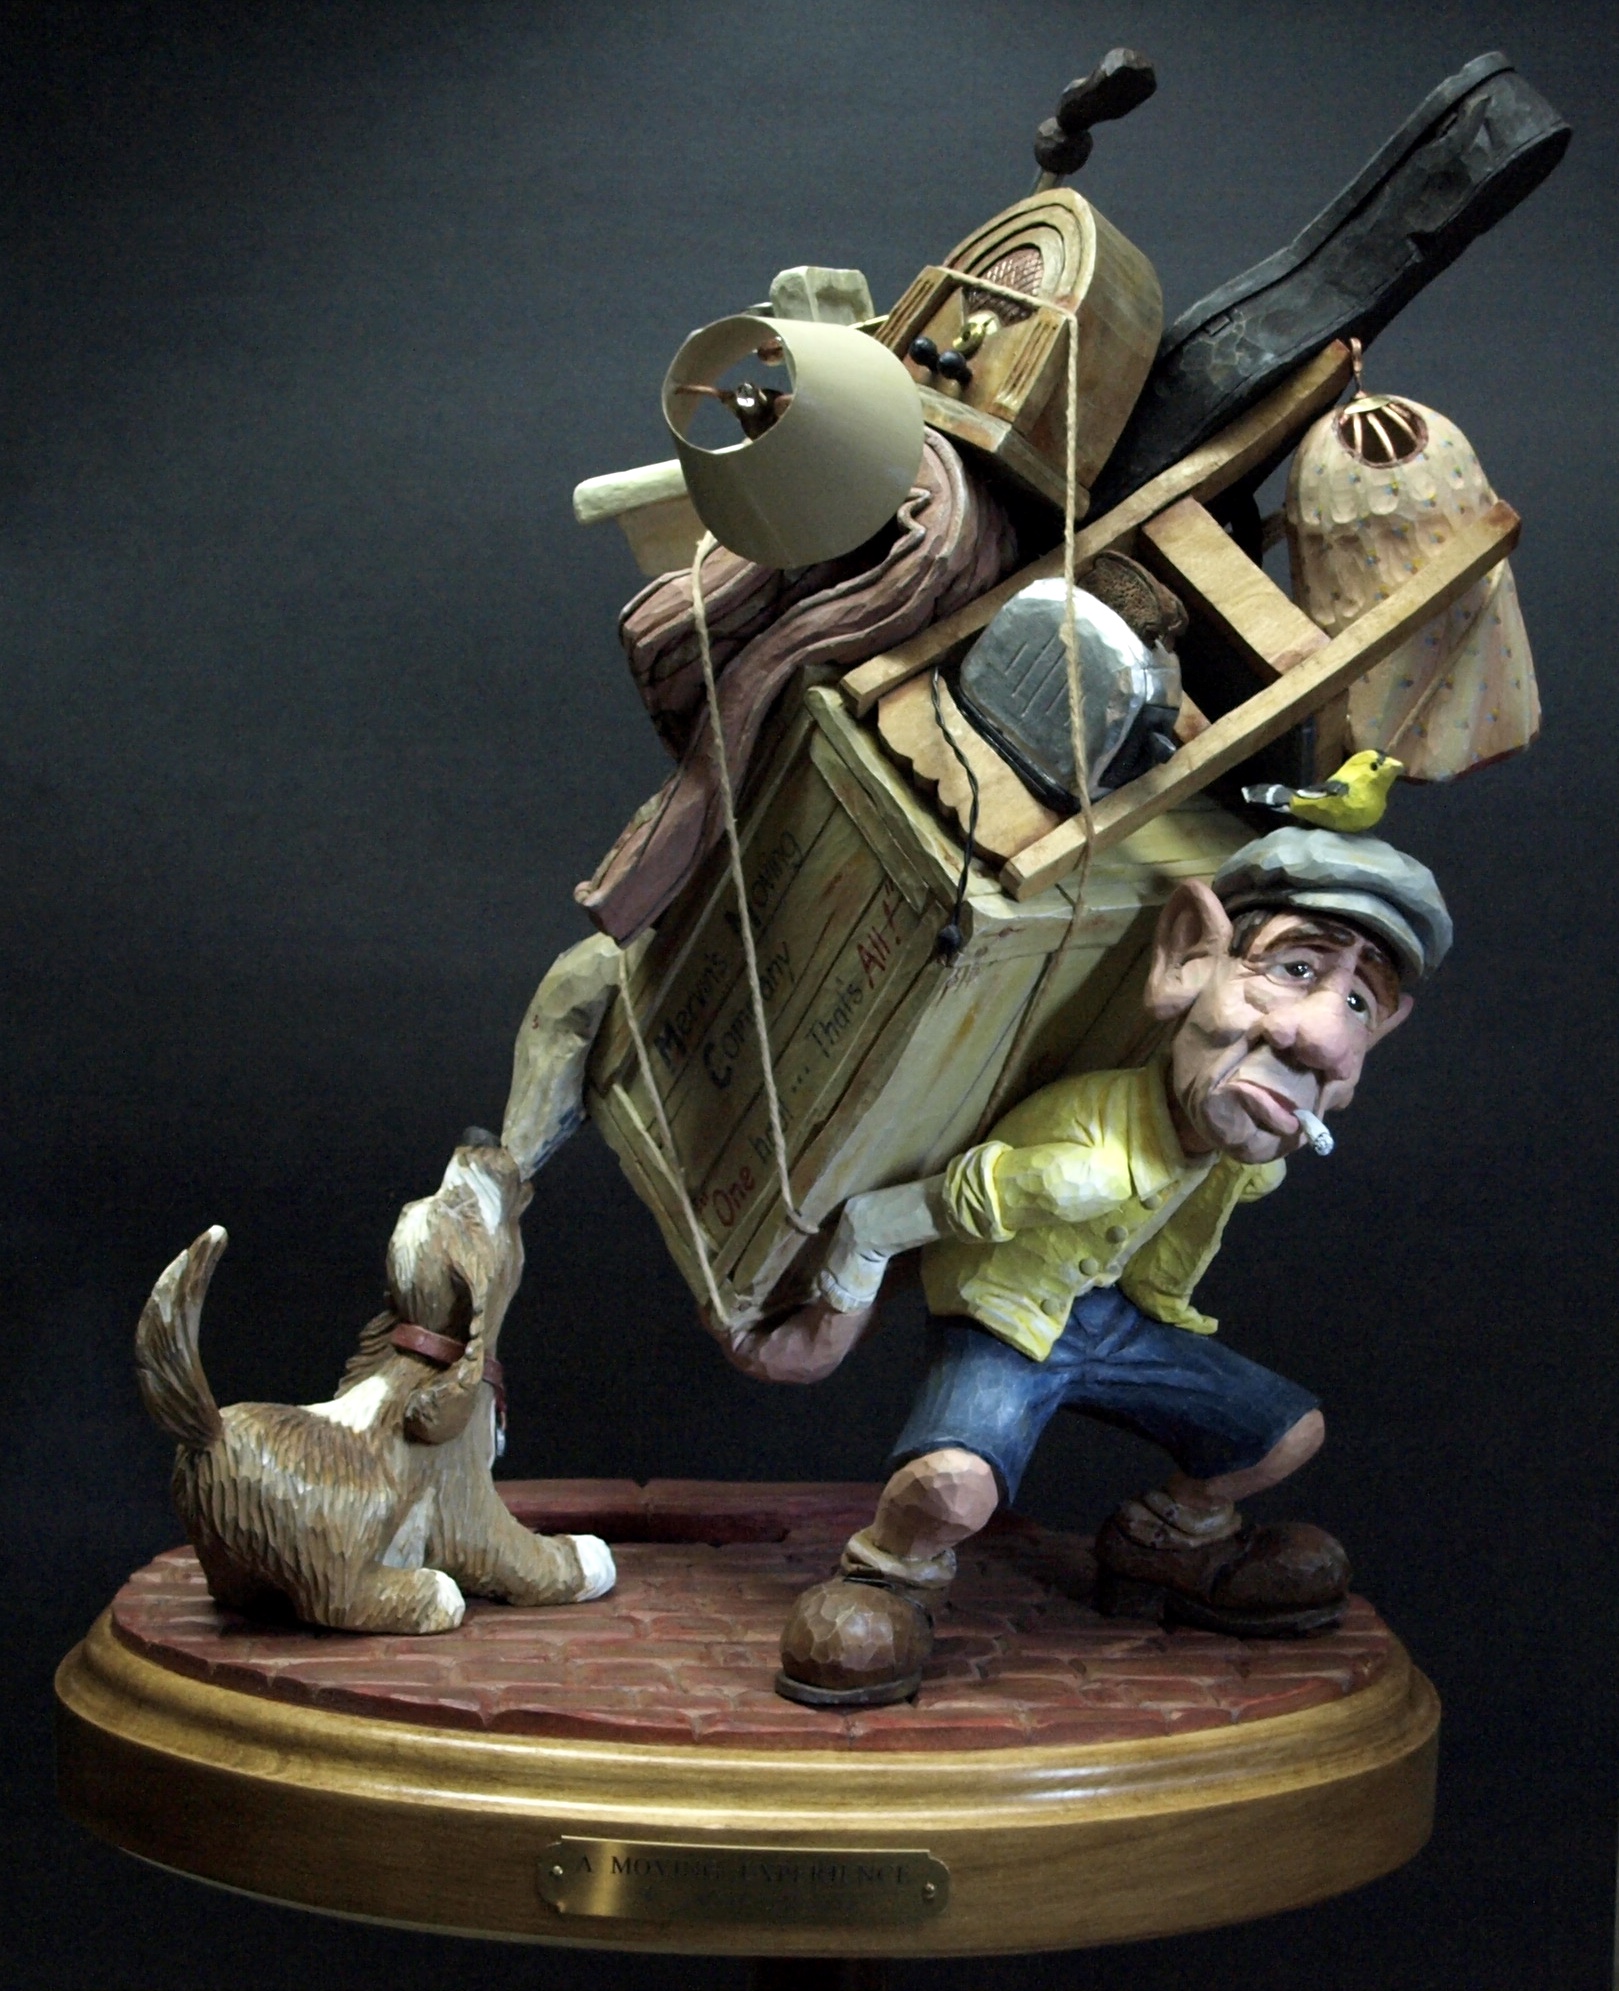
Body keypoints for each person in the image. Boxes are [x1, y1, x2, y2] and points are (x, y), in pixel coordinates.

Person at [772, 826, 1452, 1707]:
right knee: (950, 1487)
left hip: (1106, 1318)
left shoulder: (1242, 1162)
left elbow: (1186, 1230)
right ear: (1190, 958)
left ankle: (1165, 1543)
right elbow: (886, 1217)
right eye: (1293, 968)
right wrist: (836, 1304)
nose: (1322, 1038)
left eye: (1357, 1003)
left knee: (1282, 1433)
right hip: (1007, 1321)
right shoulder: (1081, 1155)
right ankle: (887, 1576)